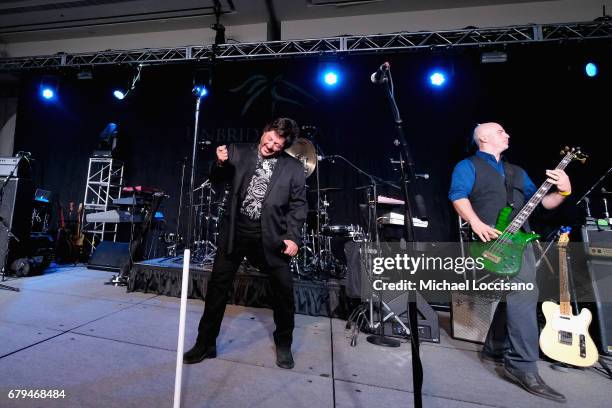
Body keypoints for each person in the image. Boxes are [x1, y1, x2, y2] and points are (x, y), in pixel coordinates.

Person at [449, 122, 571, 403]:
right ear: (483, 138)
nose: (508, 134)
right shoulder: (467, 166)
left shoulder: (518, 172)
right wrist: (476, 222)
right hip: (490, 242)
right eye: (501, 131)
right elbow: (457, 196)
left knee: (519, 294)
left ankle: (495, 347)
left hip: (521, 242)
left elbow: (544, 202)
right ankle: (522, 366)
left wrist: (563, 190)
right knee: (524, 294)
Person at [184, 117, 307, 369]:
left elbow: (298, 205)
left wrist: (293, 237)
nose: (270, 145)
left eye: (277, 144)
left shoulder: (293, 168)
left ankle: (283, 344)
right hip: (235, 232)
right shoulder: (238, 151)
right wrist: (219, 162)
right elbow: (218, 178)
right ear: (264, 131)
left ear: (284, 147)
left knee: (284, 292)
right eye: (269, 138)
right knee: (217, 287)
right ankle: (205, 343)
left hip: (271, 236)